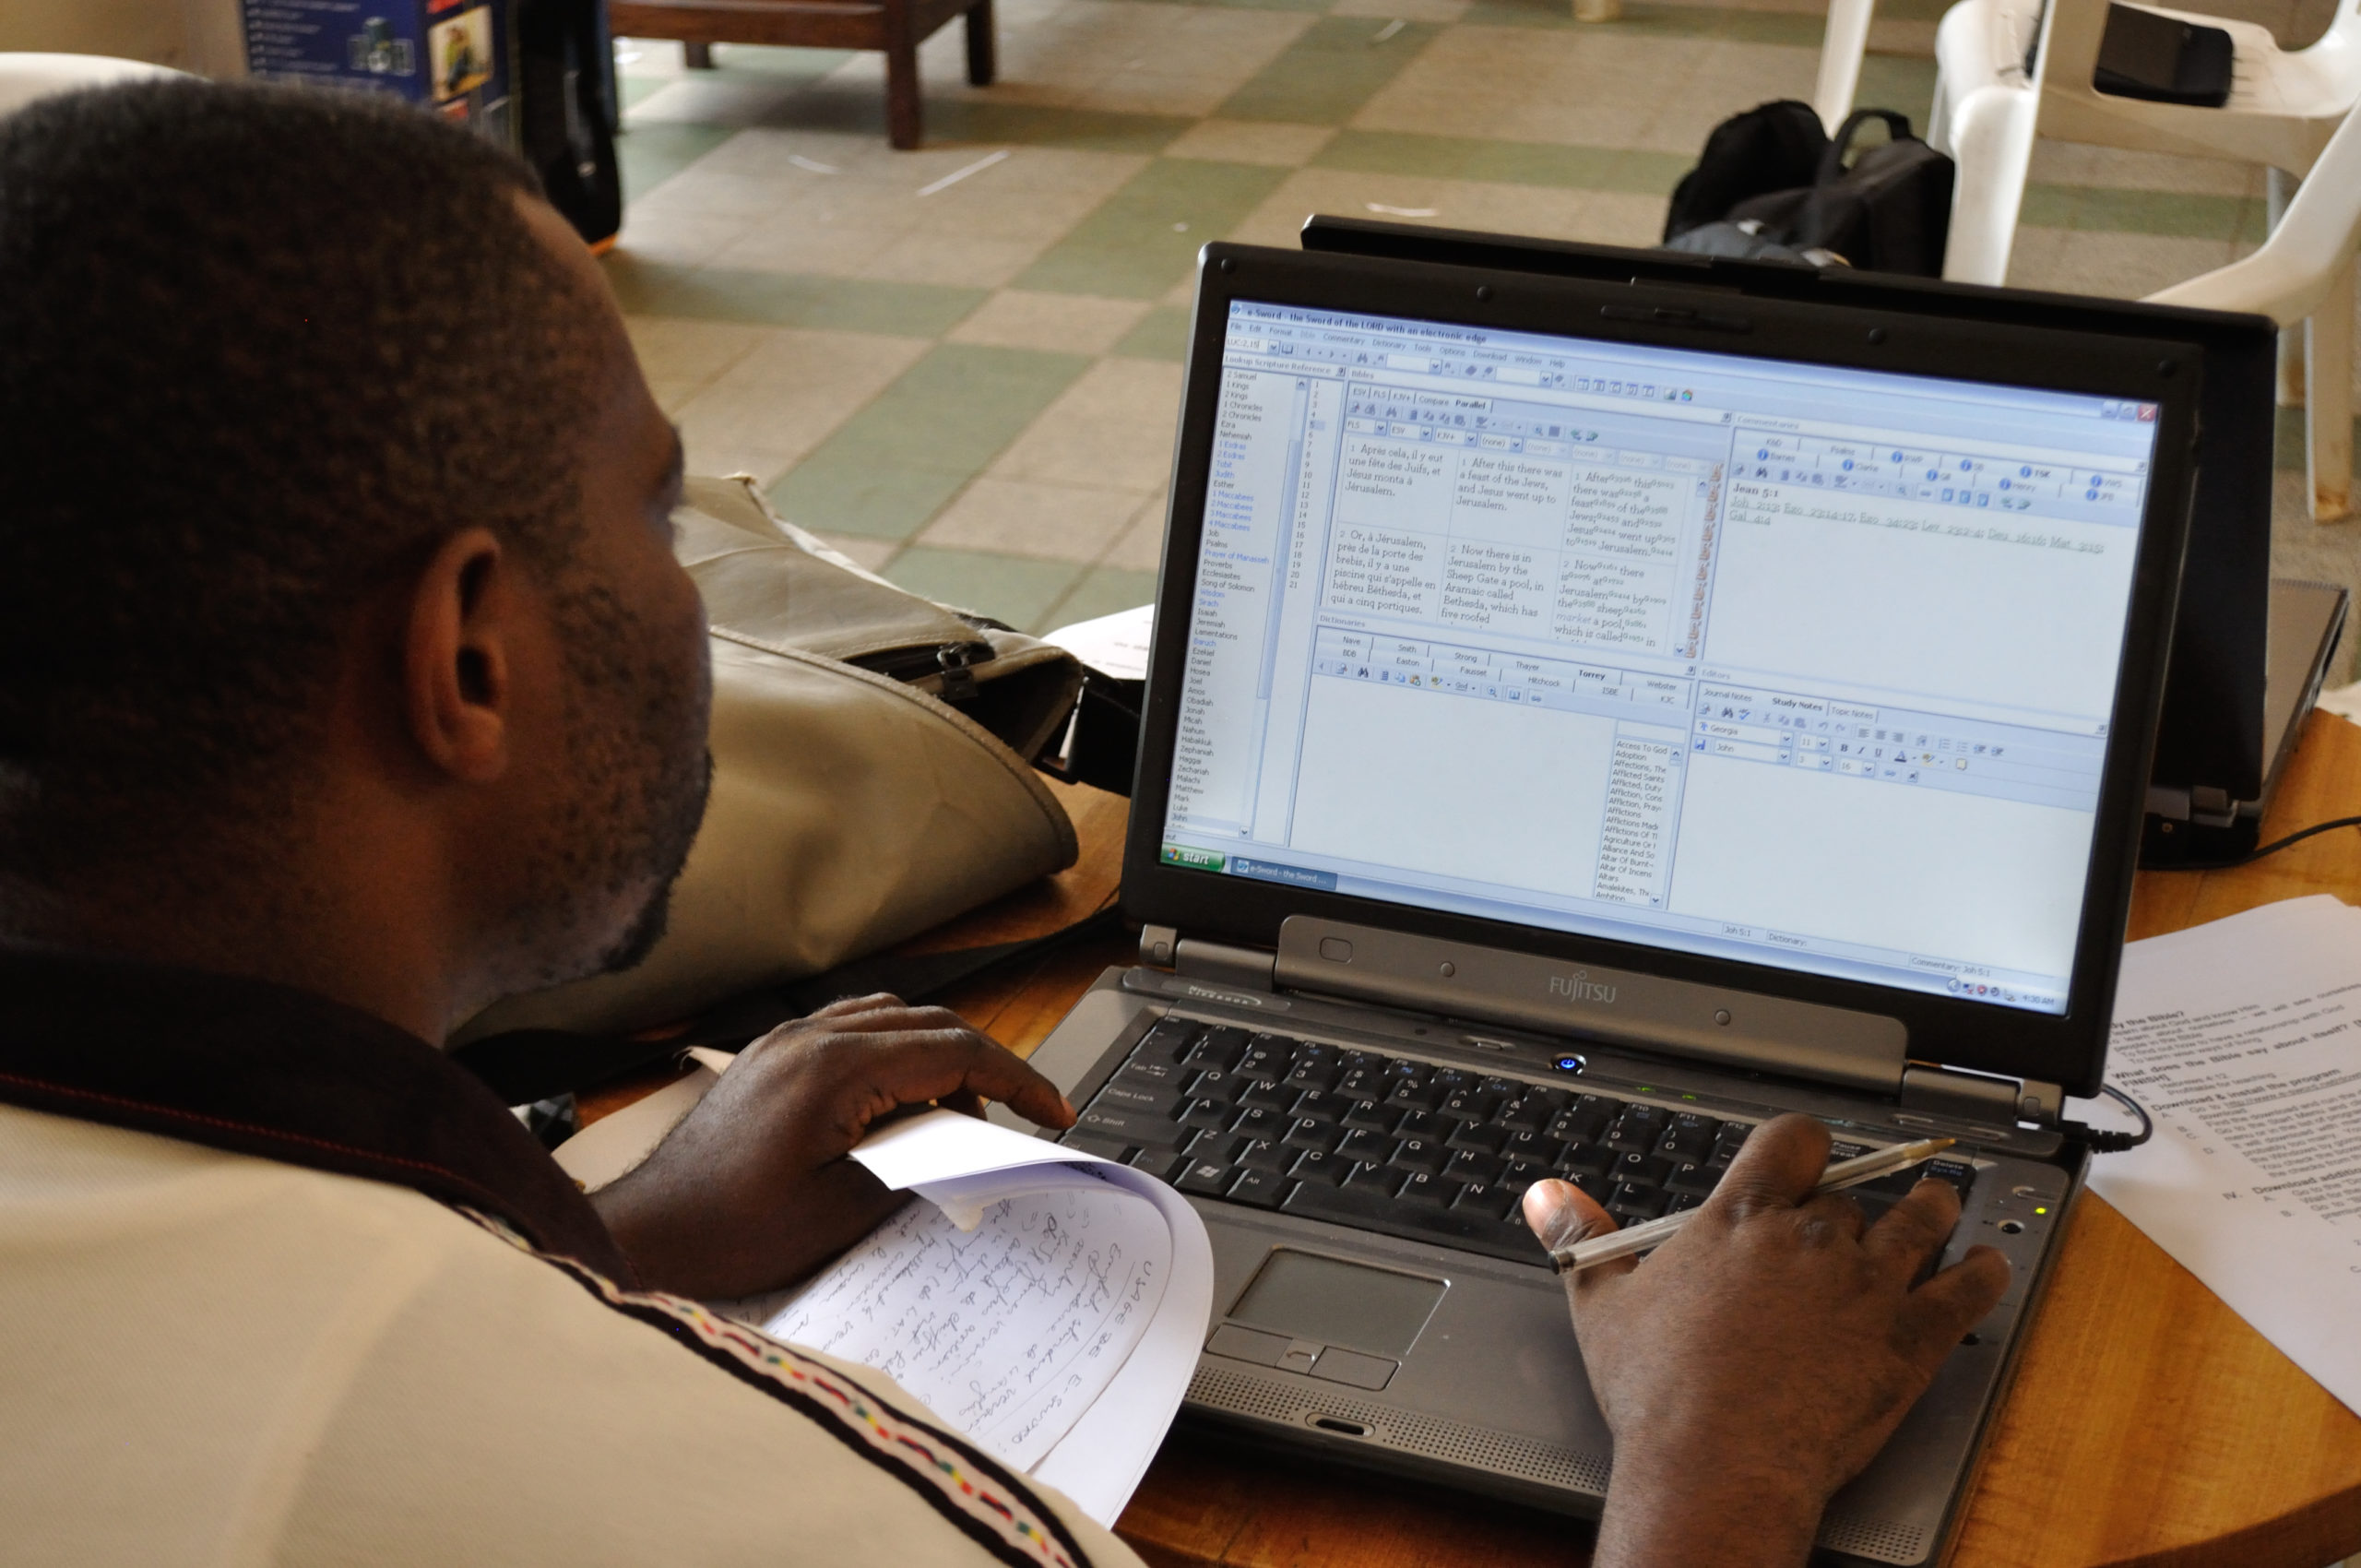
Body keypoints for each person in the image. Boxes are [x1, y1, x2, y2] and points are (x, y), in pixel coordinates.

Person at [0, 79, 2008, 1567]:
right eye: (652, 508)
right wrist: (1715, 1475)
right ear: (466, 657)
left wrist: (603, 1245)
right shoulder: (750, 1502)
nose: (695, 591)